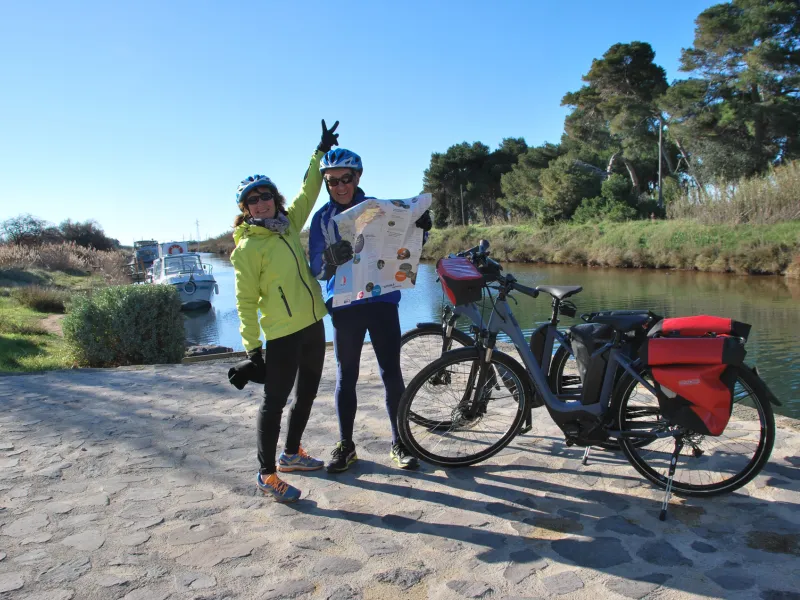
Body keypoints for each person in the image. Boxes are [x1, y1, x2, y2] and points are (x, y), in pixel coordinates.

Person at [231, 120, 340, 502]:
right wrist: (251, 348)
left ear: (275, 199)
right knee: (274, 403)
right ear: (245, 210)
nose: (262, 203)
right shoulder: (247, 249)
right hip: (280, 333)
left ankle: (291, 454)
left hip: (312, 322)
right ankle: (266, 474)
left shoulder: (289, 224)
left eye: (266, 197)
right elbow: (245, 302)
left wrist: (319, 153)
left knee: (307, 392)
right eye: (253, 200)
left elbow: (308, 190)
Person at [309, 148, 433, 472]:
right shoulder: (322, 219)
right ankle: (346, 445)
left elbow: (406, 247)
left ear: (358, 177)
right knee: (345, 375)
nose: (339, 186)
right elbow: (315, 270)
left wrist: (423, 228)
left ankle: (400, 442)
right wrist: (329, 261)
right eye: (331, 181)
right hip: (345, 308)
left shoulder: (379, 209)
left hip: (381, 302)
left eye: (345, 179)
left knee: (391, 373)